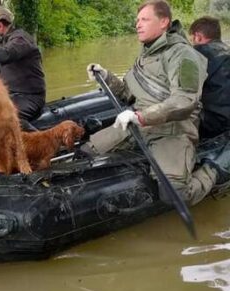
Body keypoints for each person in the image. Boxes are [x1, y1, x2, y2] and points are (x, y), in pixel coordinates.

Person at [83, 0, 230, 206]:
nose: (138, 24)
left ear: (163, 22)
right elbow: (127, 94)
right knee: (86, 152)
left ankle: (214, 167)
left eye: (144, 19)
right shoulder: (145, 54)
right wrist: (106, 76)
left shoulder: (183, 55)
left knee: (177, 195)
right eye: (137, 20)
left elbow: (184, 101)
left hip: (171, 130)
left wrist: (141, 116)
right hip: (137, 123)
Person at [189, 16, 230, 139]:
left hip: (213, 124)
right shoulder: (227, 50)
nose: (193, 42)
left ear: (198, 36)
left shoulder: (197, 54)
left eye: (193, 38)